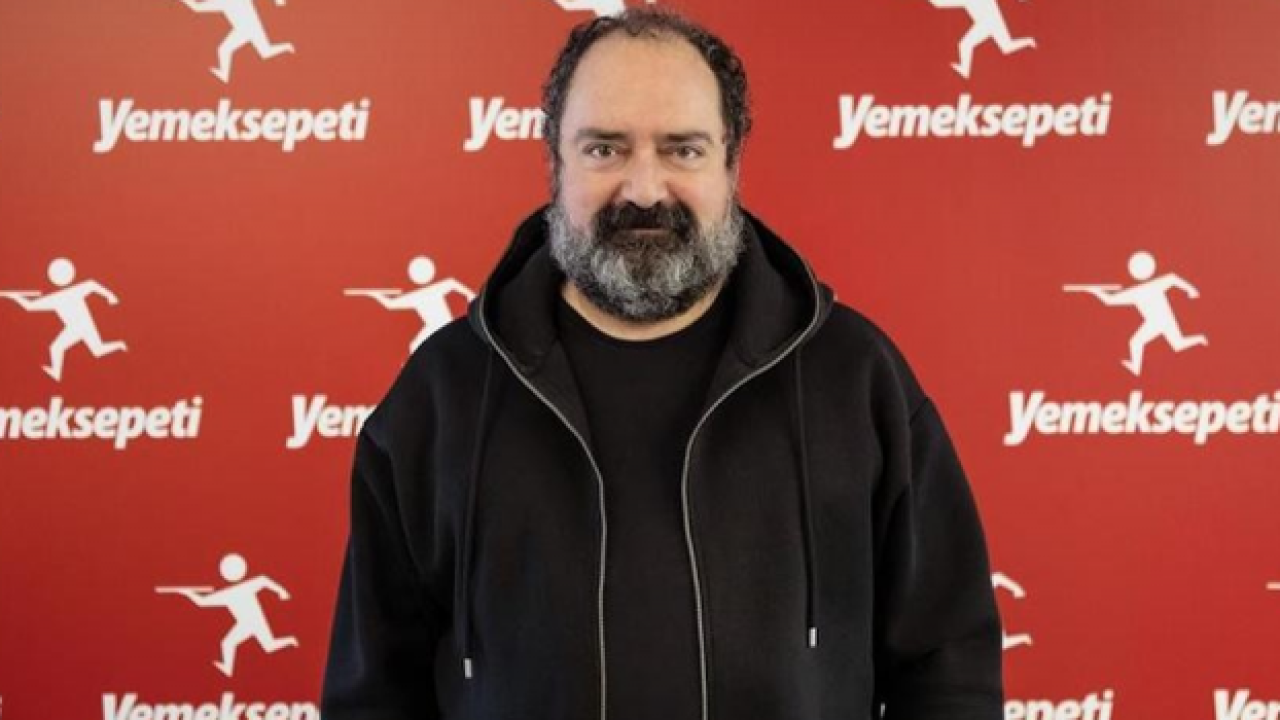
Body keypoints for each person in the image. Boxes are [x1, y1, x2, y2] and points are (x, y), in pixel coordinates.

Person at [321, 8, 1003, 720]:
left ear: (731, 165)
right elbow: (373, 698)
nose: (644, 190)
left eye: (682, 150)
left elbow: (949, 673)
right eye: (604, 149)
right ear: (555, 162)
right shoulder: (443, 396)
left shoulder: (854, 381)